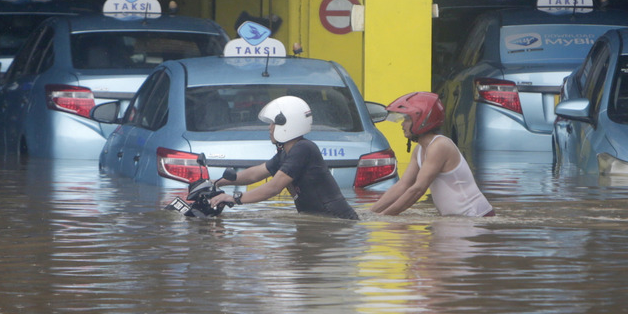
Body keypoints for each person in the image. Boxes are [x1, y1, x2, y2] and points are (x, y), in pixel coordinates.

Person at [209, 95, 359, 220]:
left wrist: (234, 198)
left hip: (335, 220)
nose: (270, 127)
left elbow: (273, 188)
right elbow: (254, 174)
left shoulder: (303, 149)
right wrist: (216, 182)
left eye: (274, 123)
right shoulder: (286, 152)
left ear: (287, 124)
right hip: (322, 219)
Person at [370, 92, 495, 217]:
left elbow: (418, 190)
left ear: (422, 119)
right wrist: (370, 213)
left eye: (407, 119)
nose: (402, 124)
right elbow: (403, 185)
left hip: (476, 217)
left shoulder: (440, 145)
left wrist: (385, 215)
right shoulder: (419, 150)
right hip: (457, 220)